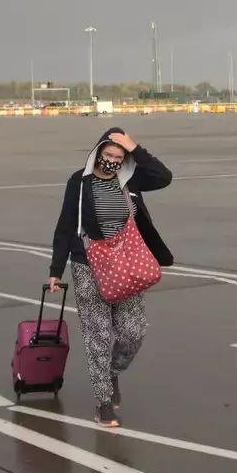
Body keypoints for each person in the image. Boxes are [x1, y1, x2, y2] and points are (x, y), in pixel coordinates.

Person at [48, 126, 174, 427]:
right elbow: (65, 225)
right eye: (108, 155)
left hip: (125, 265)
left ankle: (112, 373)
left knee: (133, 332)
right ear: (97, 153)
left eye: (119, 156)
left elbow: (163, 176)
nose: (113, 161)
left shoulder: (129, 179)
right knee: (98, 336)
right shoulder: (79, 182)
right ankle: (103, 403)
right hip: (87, 264)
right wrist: (56, 270)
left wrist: (135, 146)